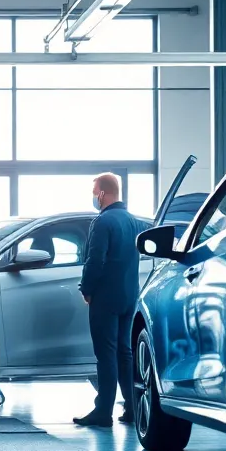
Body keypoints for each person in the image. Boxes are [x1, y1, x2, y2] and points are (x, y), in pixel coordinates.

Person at [75, 173, 143, 428]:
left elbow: (95, 260)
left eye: (94, 192)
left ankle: (103, 411)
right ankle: (133, 407)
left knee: (105, 355)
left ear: (102, 193)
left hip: (105, 297)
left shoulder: (102, 222)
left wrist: (87, 288)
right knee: (125, 353)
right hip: (129, 296)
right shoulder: (133, 221)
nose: (94, 197)